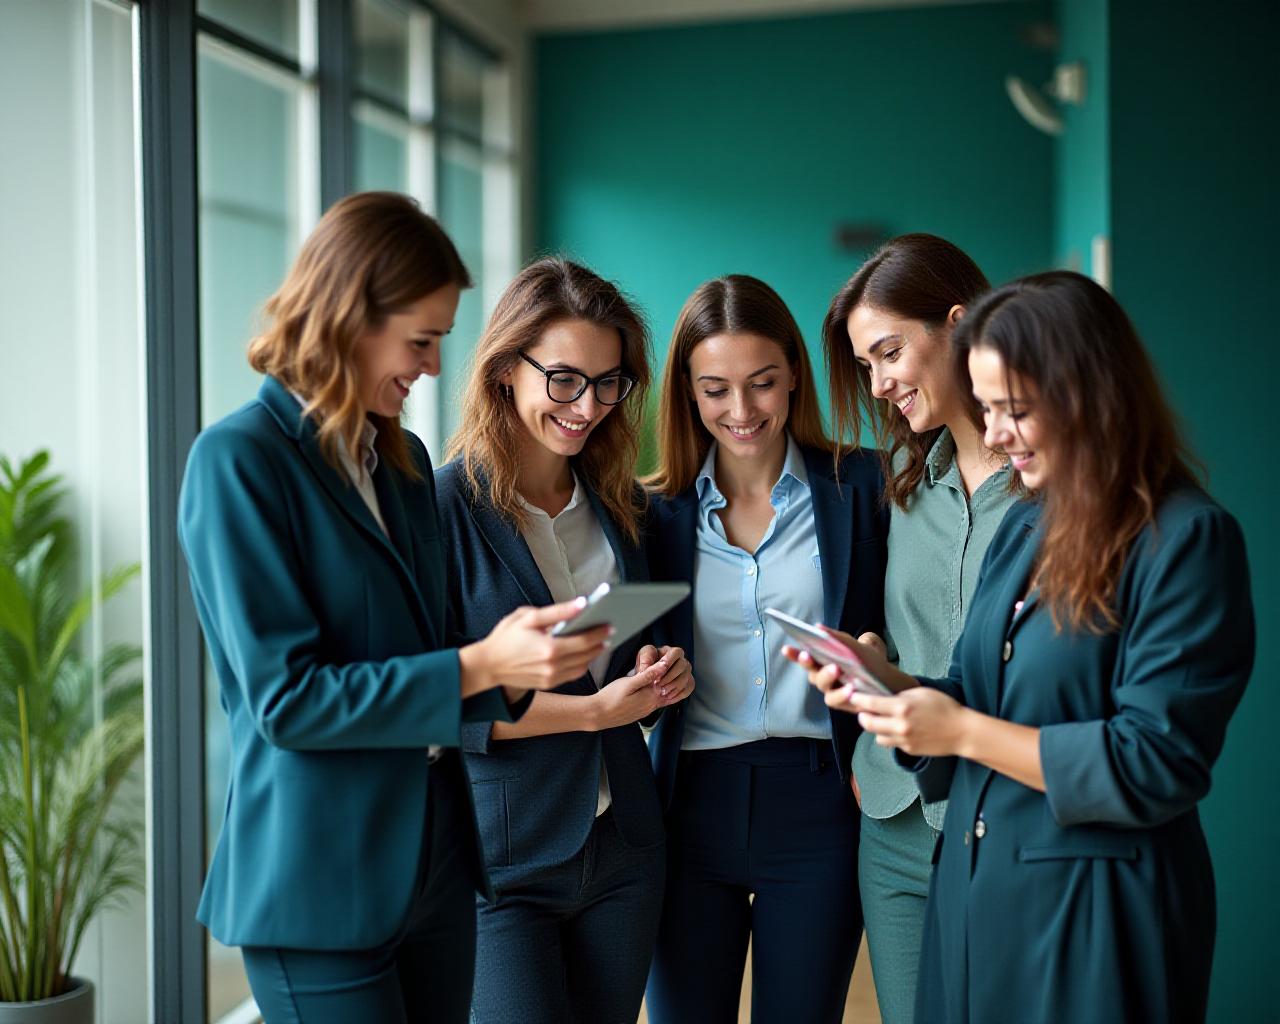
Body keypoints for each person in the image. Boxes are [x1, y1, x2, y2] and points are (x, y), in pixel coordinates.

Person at [178, 193, 610, 1023]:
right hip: (316, 878)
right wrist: (482, 664)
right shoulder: (238, 462)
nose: (436, 367)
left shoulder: (401, 457)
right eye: (421, 340)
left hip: (436, 862)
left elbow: (426, 653)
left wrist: (523, 664)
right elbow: (288, 702)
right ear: (349, 317)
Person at [796, 270, 1255, 1024]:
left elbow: (1155, 759)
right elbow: (977, 694)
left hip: (1097, 910)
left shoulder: (1186, 539)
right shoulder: (1025, 525)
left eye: (1014, 410)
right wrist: (888, 684)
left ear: (1090, 395)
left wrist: (960, 731)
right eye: (987, 409)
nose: (995, 433)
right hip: (976, 889)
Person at [435, 256, 692, 1024]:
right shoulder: (440, 510)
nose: (588, 406)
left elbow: (627, 651)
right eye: (565, 379)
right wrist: (594, 713)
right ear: (505, 369)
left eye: (609, 383)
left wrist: (657, 674)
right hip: (500, 862)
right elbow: (436, 704)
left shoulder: (620, 505)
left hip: (625, 853)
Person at [644, 275, 886, 1023]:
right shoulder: (648, 513)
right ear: (687, 392)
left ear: (794, 377)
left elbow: (901, 627)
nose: (741, 410)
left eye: (762, 383)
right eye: (715, 389)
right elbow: (626, 653)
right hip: (688, 805)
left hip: (821, 800)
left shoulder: (865, 487)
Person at [819, 233, 1015, 1024]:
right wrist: (872, 659)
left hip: (1006, 816)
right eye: (866, 365)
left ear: (960, 326)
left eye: (889, 352)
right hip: (894, 821)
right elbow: (901, 638)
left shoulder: (1051, 486)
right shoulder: (900, 484)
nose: (878, 384)